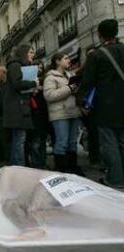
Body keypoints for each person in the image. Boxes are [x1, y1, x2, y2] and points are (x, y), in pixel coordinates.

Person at [79, 19, 124, 187]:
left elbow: (87, 81)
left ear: (99, 34)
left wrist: (82, 103)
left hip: (106, 106)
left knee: (110, 144)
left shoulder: (96, 55)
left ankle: (116, 179)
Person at [44, 53, 82, 175]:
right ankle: (61, 169)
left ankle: (73, 167)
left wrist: (77, 89)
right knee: (62, 142)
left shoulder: (71, 75)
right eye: (65, 58)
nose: (68, 60)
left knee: (72, 142)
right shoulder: (50, 77)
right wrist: (69, 88)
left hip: (73, 112)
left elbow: (74, 90)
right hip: (60, 114)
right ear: (57, 61)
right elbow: (49, 95)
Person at [3, 44, 39, 166]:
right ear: (24, 53)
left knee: (19, 139)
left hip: (19, 107)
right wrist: (32, 83)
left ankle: (16, 167)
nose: (33, 55)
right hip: (17, 109)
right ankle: (19, 167)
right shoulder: (15, 65)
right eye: (31, 52)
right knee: (19, 139)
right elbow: (17, 84)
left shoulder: (17, 65)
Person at [26, 61, 49, 169]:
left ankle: (42, 161)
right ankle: (36, 163)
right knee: (35, 141)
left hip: (43, 112)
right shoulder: (29, 80)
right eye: (37, 68)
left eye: (41, 67)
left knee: (42, 139)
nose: (39, 69)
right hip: (33, 113)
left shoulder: (46, 79)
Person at [0, 66, 11, 164]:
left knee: (7, 142)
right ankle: (5, 160)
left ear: (3, 73)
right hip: (0, 118)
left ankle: (8, 161)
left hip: (6, 117)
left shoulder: (8, 85)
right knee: (3, 141)